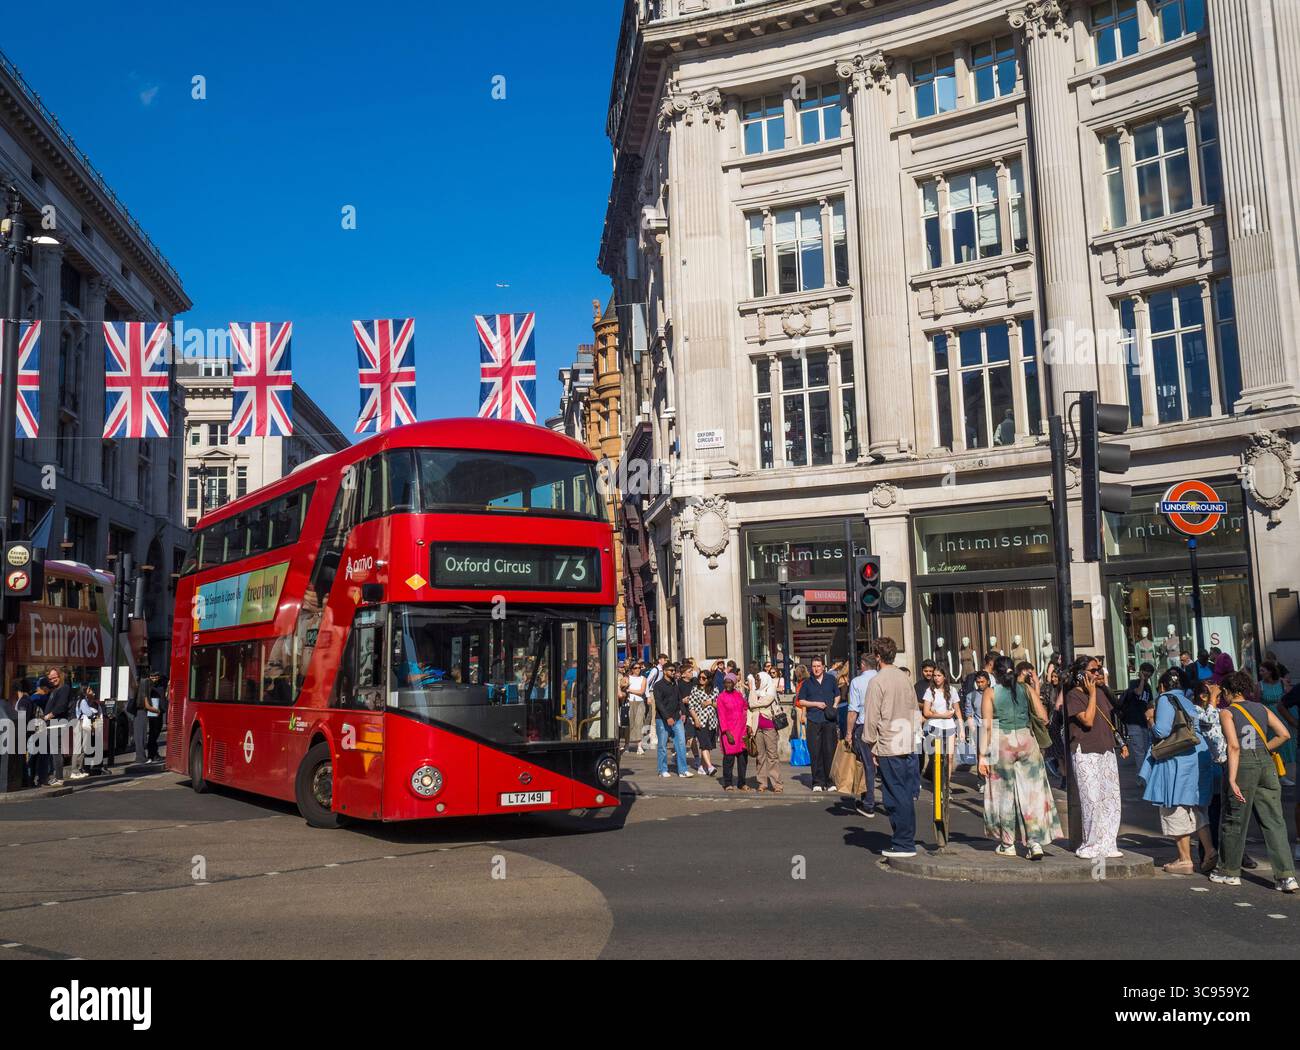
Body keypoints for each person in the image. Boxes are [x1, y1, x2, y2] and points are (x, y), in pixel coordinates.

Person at [1211, 671, 1297, 892]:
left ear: (1229, 691)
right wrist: (1264, 749)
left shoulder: (1227, 713)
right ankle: (1286, 876)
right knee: (1274, 821)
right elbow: (1284, 734)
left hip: (1243, 765)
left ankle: (1228, 871)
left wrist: (1231, 778)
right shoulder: (1262, 708)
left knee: (1234, 818)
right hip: (1266, 763)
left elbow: (1234, 746)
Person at [980, 657, 1061, 860]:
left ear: (995, 673)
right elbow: (1043, 717)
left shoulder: (990, 692)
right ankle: (1035, 843)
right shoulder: (1025, 689)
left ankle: (1008, 843)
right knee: (1032, 793)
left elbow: (987, 727)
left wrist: (982, 756)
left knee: (1004, 794)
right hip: (1026, 741)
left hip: (1002, 742)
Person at [1140, 667, 1215, 875]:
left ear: (1162, 686)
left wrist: (1149, 719)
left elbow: (1162, 731)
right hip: (1198, 755)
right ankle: (1209, 850)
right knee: (1195, 806)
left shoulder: (1165, 699)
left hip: (1177, 759)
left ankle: (1184, 859)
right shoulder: (1188, 700)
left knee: (1173, 807)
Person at [863, 638, 922, 859]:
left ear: (878, 656)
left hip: (889, 742)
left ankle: (904, 842)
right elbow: (915, 711)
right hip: (907, 740)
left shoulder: (878, 681)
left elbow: (871, 717)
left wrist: (870, 744)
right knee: (905, 792)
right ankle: (906, 839)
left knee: (894, 793)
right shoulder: (905, 679)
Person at [1063, 657, 1127, 861]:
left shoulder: (1101, 692)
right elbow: (1088, 720)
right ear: (1081, 674)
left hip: (1106, 748)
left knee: (1110, 797)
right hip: (1085, 750)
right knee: (1091, 799)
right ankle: (1091, 843)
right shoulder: (1073, 696)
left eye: (1099, 669)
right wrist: (1091, 694)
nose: (1098, 673)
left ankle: (1108, 842)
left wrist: (1121, 742)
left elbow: (1110, 718)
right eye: (1093, 670)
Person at [795, 657, 839, 793]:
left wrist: (834, 706)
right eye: (814, 666)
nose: (816, 669)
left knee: (830, 750)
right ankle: (817, 782)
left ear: (823, 667)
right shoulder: (807, 683)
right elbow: (801, 701)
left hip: (828, 720)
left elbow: (837, 695)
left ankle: (830, 781)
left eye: (818, 666)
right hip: (814, 719)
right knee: (815, 752)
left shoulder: (831, 680)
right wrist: (815, 704)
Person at [845, 652, 879, 818]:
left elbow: (853, 711)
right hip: (883, 726)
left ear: (863, 665)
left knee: (867, 765)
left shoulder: (857, 682)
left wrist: (848, 733)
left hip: (864, 725)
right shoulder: (882, 679)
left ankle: (868, 802)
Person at [921, 665, 964, 782]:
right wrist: (942, 715)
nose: (936, 678)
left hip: (950, 726)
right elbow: (926, 712)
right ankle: (938, 783)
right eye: (934, 676)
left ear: (944, 677)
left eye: (939, 675)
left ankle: (946, 785)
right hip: (934, 726)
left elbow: (958, 710)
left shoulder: (952, 690)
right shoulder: (930, 691)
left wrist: (961, 728)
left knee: (949, 757)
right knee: (938, 757)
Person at [1258, 661, 1295, 787]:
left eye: (1263, 670)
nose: (1260, 673)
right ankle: (1273, 775)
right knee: (1271, 747)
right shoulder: (1260, 685)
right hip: (1267, 718)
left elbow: (1288, 697)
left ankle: (1282, 775)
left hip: (1281, 717)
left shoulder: (1281, 682)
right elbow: (1257, 703)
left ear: (1270, 671)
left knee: (1283, 747)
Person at [652, 663, 693, 779]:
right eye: (671, 670)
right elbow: (659, 703)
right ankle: (662, 769)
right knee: (662, 745)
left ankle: (683, 770)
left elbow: (679, 699)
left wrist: (683, 712)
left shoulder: (675, 684)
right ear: (664, 671)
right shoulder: (658, 685)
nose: (673, 672)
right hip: (662, 719)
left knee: (681, 743)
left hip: (677, 718)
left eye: (674, 670)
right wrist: (667, 717)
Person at [1120, 663, 1157, 787]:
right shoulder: (1134, 683)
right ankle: (1142, 778)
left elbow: (1150, 704)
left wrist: (1152, 720)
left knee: (1146, 749)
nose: (1147, 675)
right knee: (1139, 750)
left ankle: (1144, 776)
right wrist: (1141, 680)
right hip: (1133, 721)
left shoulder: (1148, 687)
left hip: (1143, 722)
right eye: (1145, 672)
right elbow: (1137, 693)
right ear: (1141, 671)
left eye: (1149, 673)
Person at [747, 667, 783, 793]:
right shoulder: (754, 691)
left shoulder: (771, 690)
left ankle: (777, 784)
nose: (756, 682)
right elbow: (750, 708)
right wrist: (749, 724)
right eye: (755, 680)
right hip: (757, 727)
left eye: (758, 680)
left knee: (772, 756)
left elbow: (759, 702)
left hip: (769, 726)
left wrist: (754, 700)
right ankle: (762, 783)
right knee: (760, 757)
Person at [716, 674, 750, 791]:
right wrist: (727, 733)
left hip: (742, 731)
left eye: (730, 682)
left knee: (742, 760)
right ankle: (728, 783)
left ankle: (742, 783)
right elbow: (721, 717)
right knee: (729, 759)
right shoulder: (721, 697)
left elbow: (746, 707)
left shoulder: (739, 695)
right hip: (729, 732)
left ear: (734, 683)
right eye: (726, 682)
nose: (728, 684)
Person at [687, 671, 719, 777]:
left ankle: (702, 766)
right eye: (700, 677)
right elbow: (691, 706)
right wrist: (696, 719)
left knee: (708, 745)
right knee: (704, 744)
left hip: (712, 721)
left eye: (704, 678)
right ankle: (710, 767)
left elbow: (719, 704)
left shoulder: (715, 689)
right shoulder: (695, 689)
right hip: (700, 720)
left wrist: (711, 703)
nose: (701, 679)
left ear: (709, 679)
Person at [962, 670, 990, 786]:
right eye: (978, 682)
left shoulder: (995, 693)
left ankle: (994, 780)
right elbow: (969, 714)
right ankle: (982, 781)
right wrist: (972, 731)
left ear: (988, 681)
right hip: (979, 727)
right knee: (981, 755)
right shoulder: (971, 696)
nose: (980, 684)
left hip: (994, 726)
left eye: (982, 682)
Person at [69, 685, 102, 781]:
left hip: (82, 724)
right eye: (89, 689)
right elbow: (88, 712)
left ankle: (79, 769)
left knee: (83, 748)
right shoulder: (83, 701)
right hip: (81, 724)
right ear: (84, 691)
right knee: (78, 748)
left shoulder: (83, 700)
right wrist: (93, 714)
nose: (90, 691)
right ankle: (74, 771)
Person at [625, 662, 649, 756]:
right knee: (629, 723)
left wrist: (630, 690)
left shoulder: (643, 679)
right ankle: (627, 744)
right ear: (632, 669)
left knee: (639, 723)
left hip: (640, 702)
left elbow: (641, 691)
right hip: (629, 701)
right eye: (635, 668)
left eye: (639, 668)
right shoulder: (628, 678)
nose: (638, 669)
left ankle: (639, 746)